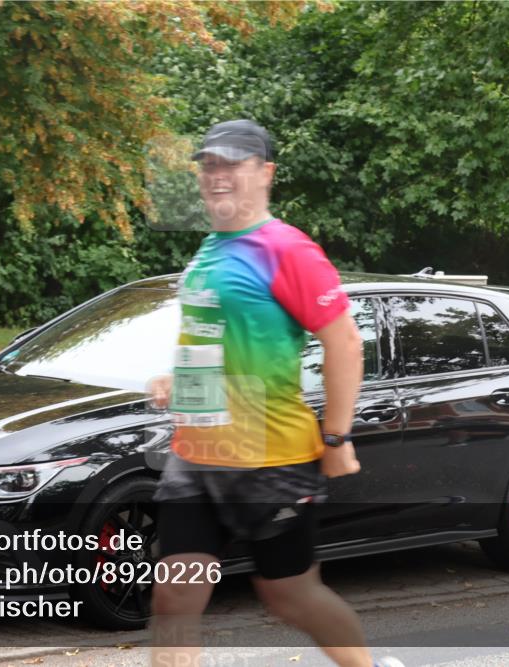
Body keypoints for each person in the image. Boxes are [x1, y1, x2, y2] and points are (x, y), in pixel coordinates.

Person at [147, 120, 401, 667]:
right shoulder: (211, 250)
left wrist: (337, 436)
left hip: (272, 459)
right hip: (196, 456)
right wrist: (177, 379)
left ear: (265, 173)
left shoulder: (288, 249)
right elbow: (215, 338)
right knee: (174, 595)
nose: (218, 176)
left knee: (288, 593)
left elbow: (345, 343)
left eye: (232, 164)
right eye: (210, 164)